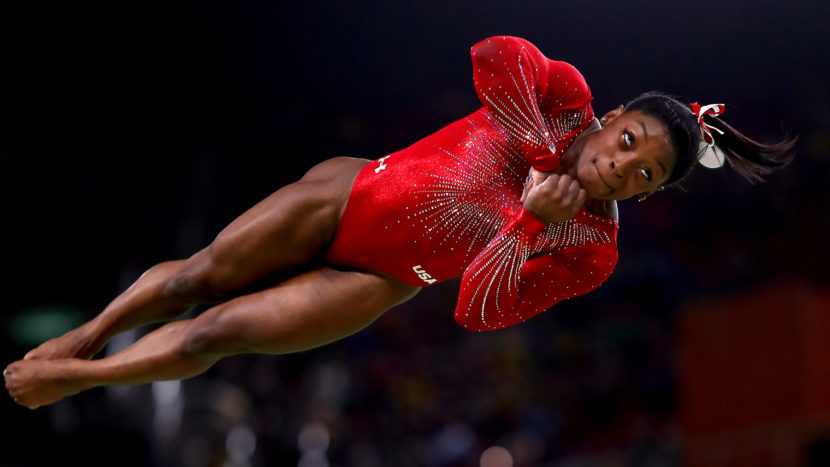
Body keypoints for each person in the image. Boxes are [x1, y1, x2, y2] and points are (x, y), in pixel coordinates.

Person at [4, 36, 794, 409]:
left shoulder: (591, 247)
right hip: (349, 193)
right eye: (629, 143)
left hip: (377, 280)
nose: (624, 167)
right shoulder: (565, 99)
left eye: (644, 174)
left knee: (218, 332)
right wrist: (544, 158)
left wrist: (525, 220)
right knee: (194, 275)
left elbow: (477, 310)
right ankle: (90, 329)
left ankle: (76, 376)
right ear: (613, 116)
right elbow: (495, 55)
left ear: (649, 193)